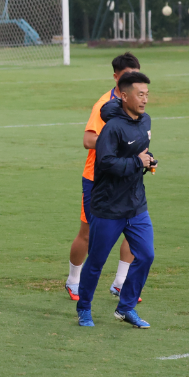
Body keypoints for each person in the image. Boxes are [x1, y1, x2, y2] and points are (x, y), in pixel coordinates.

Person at [77, 72, 154, 328]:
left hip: (136, 205)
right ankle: (84, 308)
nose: (145, 99)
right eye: (140, 95)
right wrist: (137, 162)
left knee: (146, 255)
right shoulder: (111, 128)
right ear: (124, 96)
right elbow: (106, 163)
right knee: (96, 262)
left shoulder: (145, 121)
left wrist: (149, 160)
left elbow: (139, 151)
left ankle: (126, 307)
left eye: (147, 94)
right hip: (108, 207)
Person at [65, 52, 142, 301]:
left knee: (134, 231)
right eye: (127, 76)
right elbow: (88, 140)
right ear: (116, 77)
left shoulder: (136, 104)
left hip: (128, 177)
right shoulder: (104, 105)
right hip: (98, 179)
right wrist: (118, 142)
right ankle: (73, 280)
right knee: (88, 233)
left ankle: (120, 282)